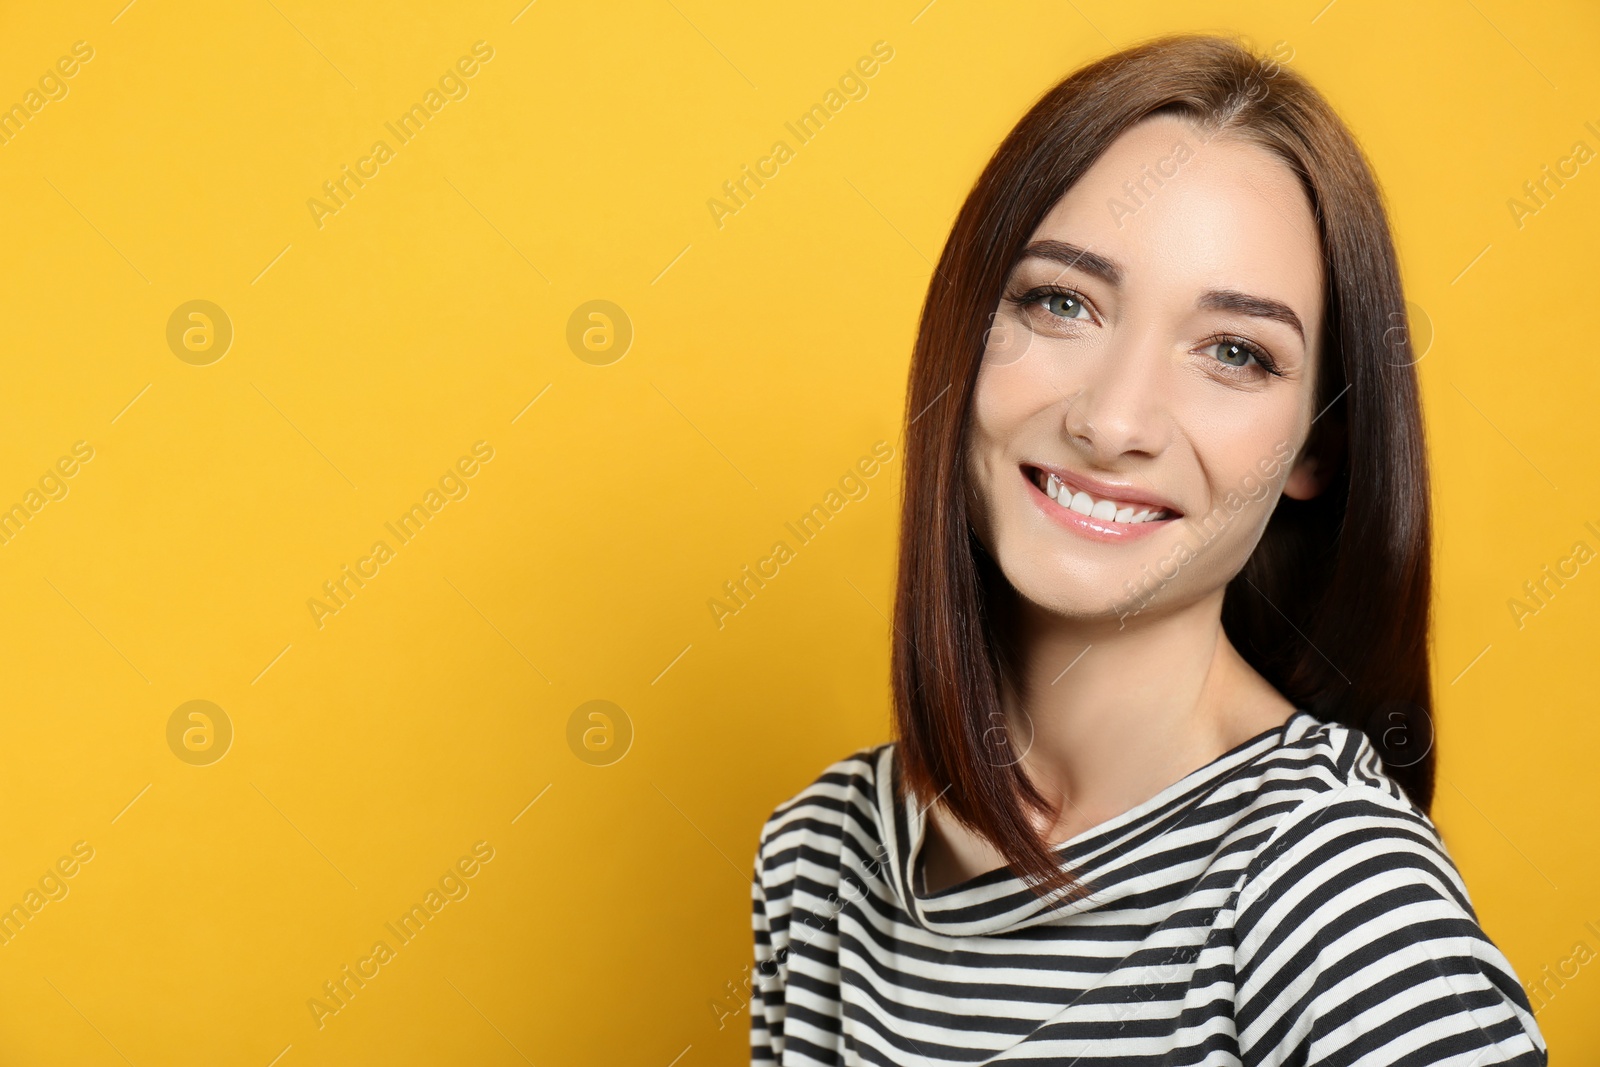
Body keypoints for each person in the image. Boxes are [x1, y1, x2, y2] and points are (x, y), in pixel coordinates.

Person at [748, 32, 1548, 1066]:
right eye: (1062, 301)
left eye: (1234, 352)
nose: (1114, 418)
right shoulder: (820, 857)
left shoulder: (1331, 892)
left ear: (1317, 443)